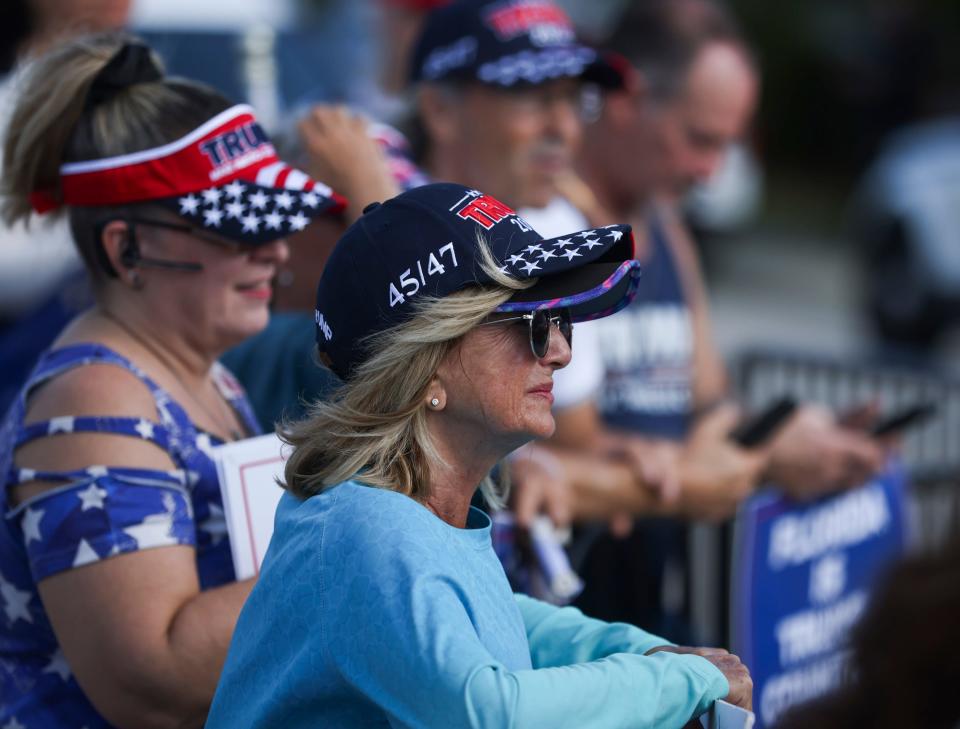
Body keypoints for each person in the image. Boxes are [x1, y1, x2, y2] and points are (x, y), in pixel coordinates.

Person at [206, 181, 752, 728]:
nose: (560, 352)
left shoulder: (403, 512)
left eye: (561, 323)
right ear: (428, 362)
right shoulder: (367, 525)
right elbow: (488, 714)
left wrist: (649, 653)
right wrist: (680, 680)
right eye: (534, 323)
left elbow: (506, 619)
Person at [0, 34, 343, 727]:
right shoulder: (94, 399)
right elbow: (153, 683)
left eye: (275, 222)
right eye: (239, 229)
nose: (276, 251)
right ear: (126, 248)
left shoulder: (202, 373)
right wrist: (359, 546)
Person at [536, 0, 887, 635]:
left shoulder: (669, 231)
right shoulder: (543, 235)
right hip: (557, 615)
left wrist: (792, 434)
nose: (711, 171)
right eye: (699, 139)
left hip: (645, 605)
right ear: (623, 101)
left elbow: (707, 402)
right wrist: (749, 460)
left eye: (727, 145)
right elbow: (552, 447)